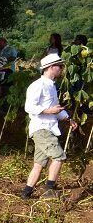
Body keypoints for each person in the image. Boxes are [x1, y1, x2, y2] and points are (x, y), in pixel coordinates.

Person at [20, 54, 78, 199]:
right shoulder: (37, 85)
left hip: (47, 128)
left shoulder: (51, 86)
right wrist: (49, 111)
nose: (61, 69)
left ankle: (26, 193)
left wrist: (68, 119)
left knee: (39, 164)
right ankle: (49, 190)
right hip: (42, 128)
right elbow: (29, 107)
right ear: (51, 67)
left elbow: (55, 109)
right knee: (59, 156)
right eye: (60, 66)